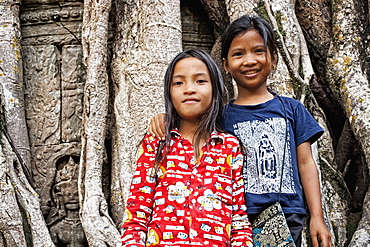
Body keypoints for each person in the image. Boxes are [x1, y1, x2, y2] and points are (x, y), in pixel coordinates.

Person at [148, 16, 332, 247]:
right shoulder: (218, 116)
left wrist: (317, 216)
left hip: (286, 214)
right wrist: (166, 118)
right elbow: (189, 127)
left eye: (258, 51)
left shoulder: (292, 109)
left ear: (274, 59)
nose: (249, 60)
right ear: (225, 64)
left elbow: (306, 163)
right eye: (238, 54)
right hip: (234, 219)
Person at [121, 49, 253, 247]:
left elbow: (239, 221)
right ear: (169, 92)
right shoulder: (156, 143)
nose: (189, 89)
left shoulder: (229, 147)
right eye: (178, 83)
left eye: (200, 81)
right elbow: (136, 216)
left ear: (215, 91)